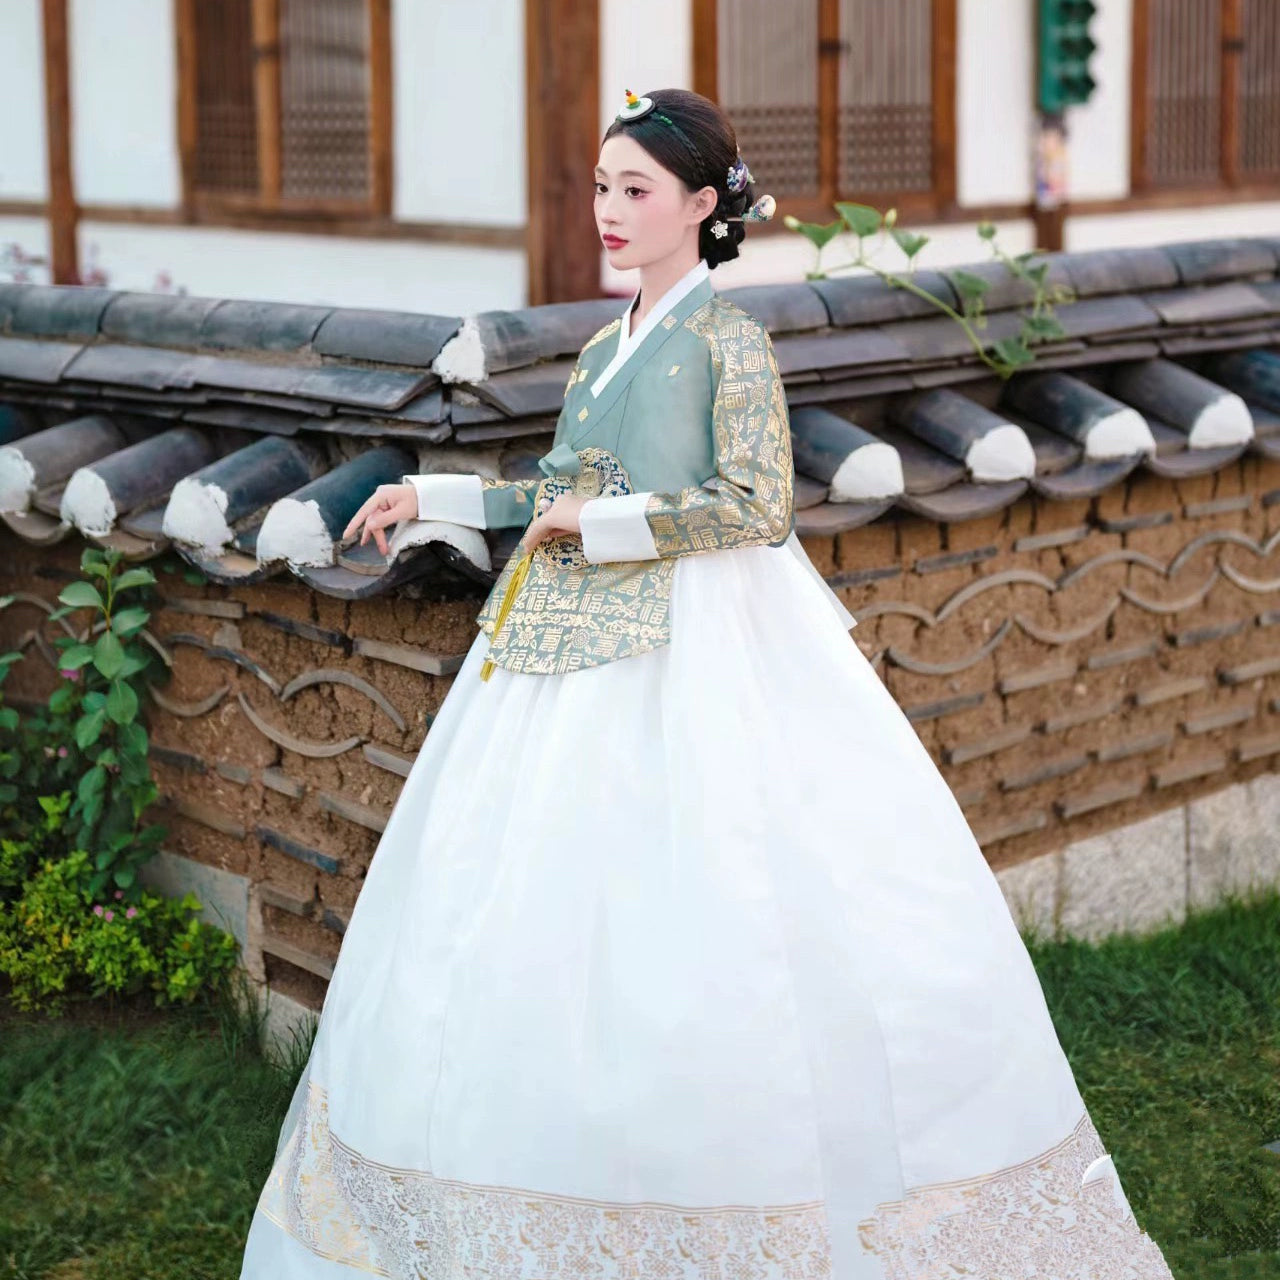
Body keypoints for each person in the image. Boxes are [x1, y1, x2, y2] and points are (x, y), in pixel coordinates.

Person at [239, 88, 1175, 1279]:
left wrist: (602, 518)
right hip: (557, 647)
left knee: (725, 905)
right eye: (599, 186)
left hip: (702, 645)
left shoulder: (727, 339)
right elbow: (560, 488)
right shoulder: (599, 345)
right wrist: (436, 494)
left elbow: (756, 503)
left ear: (700, 205)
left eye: (635, 189)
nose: (610, 211)